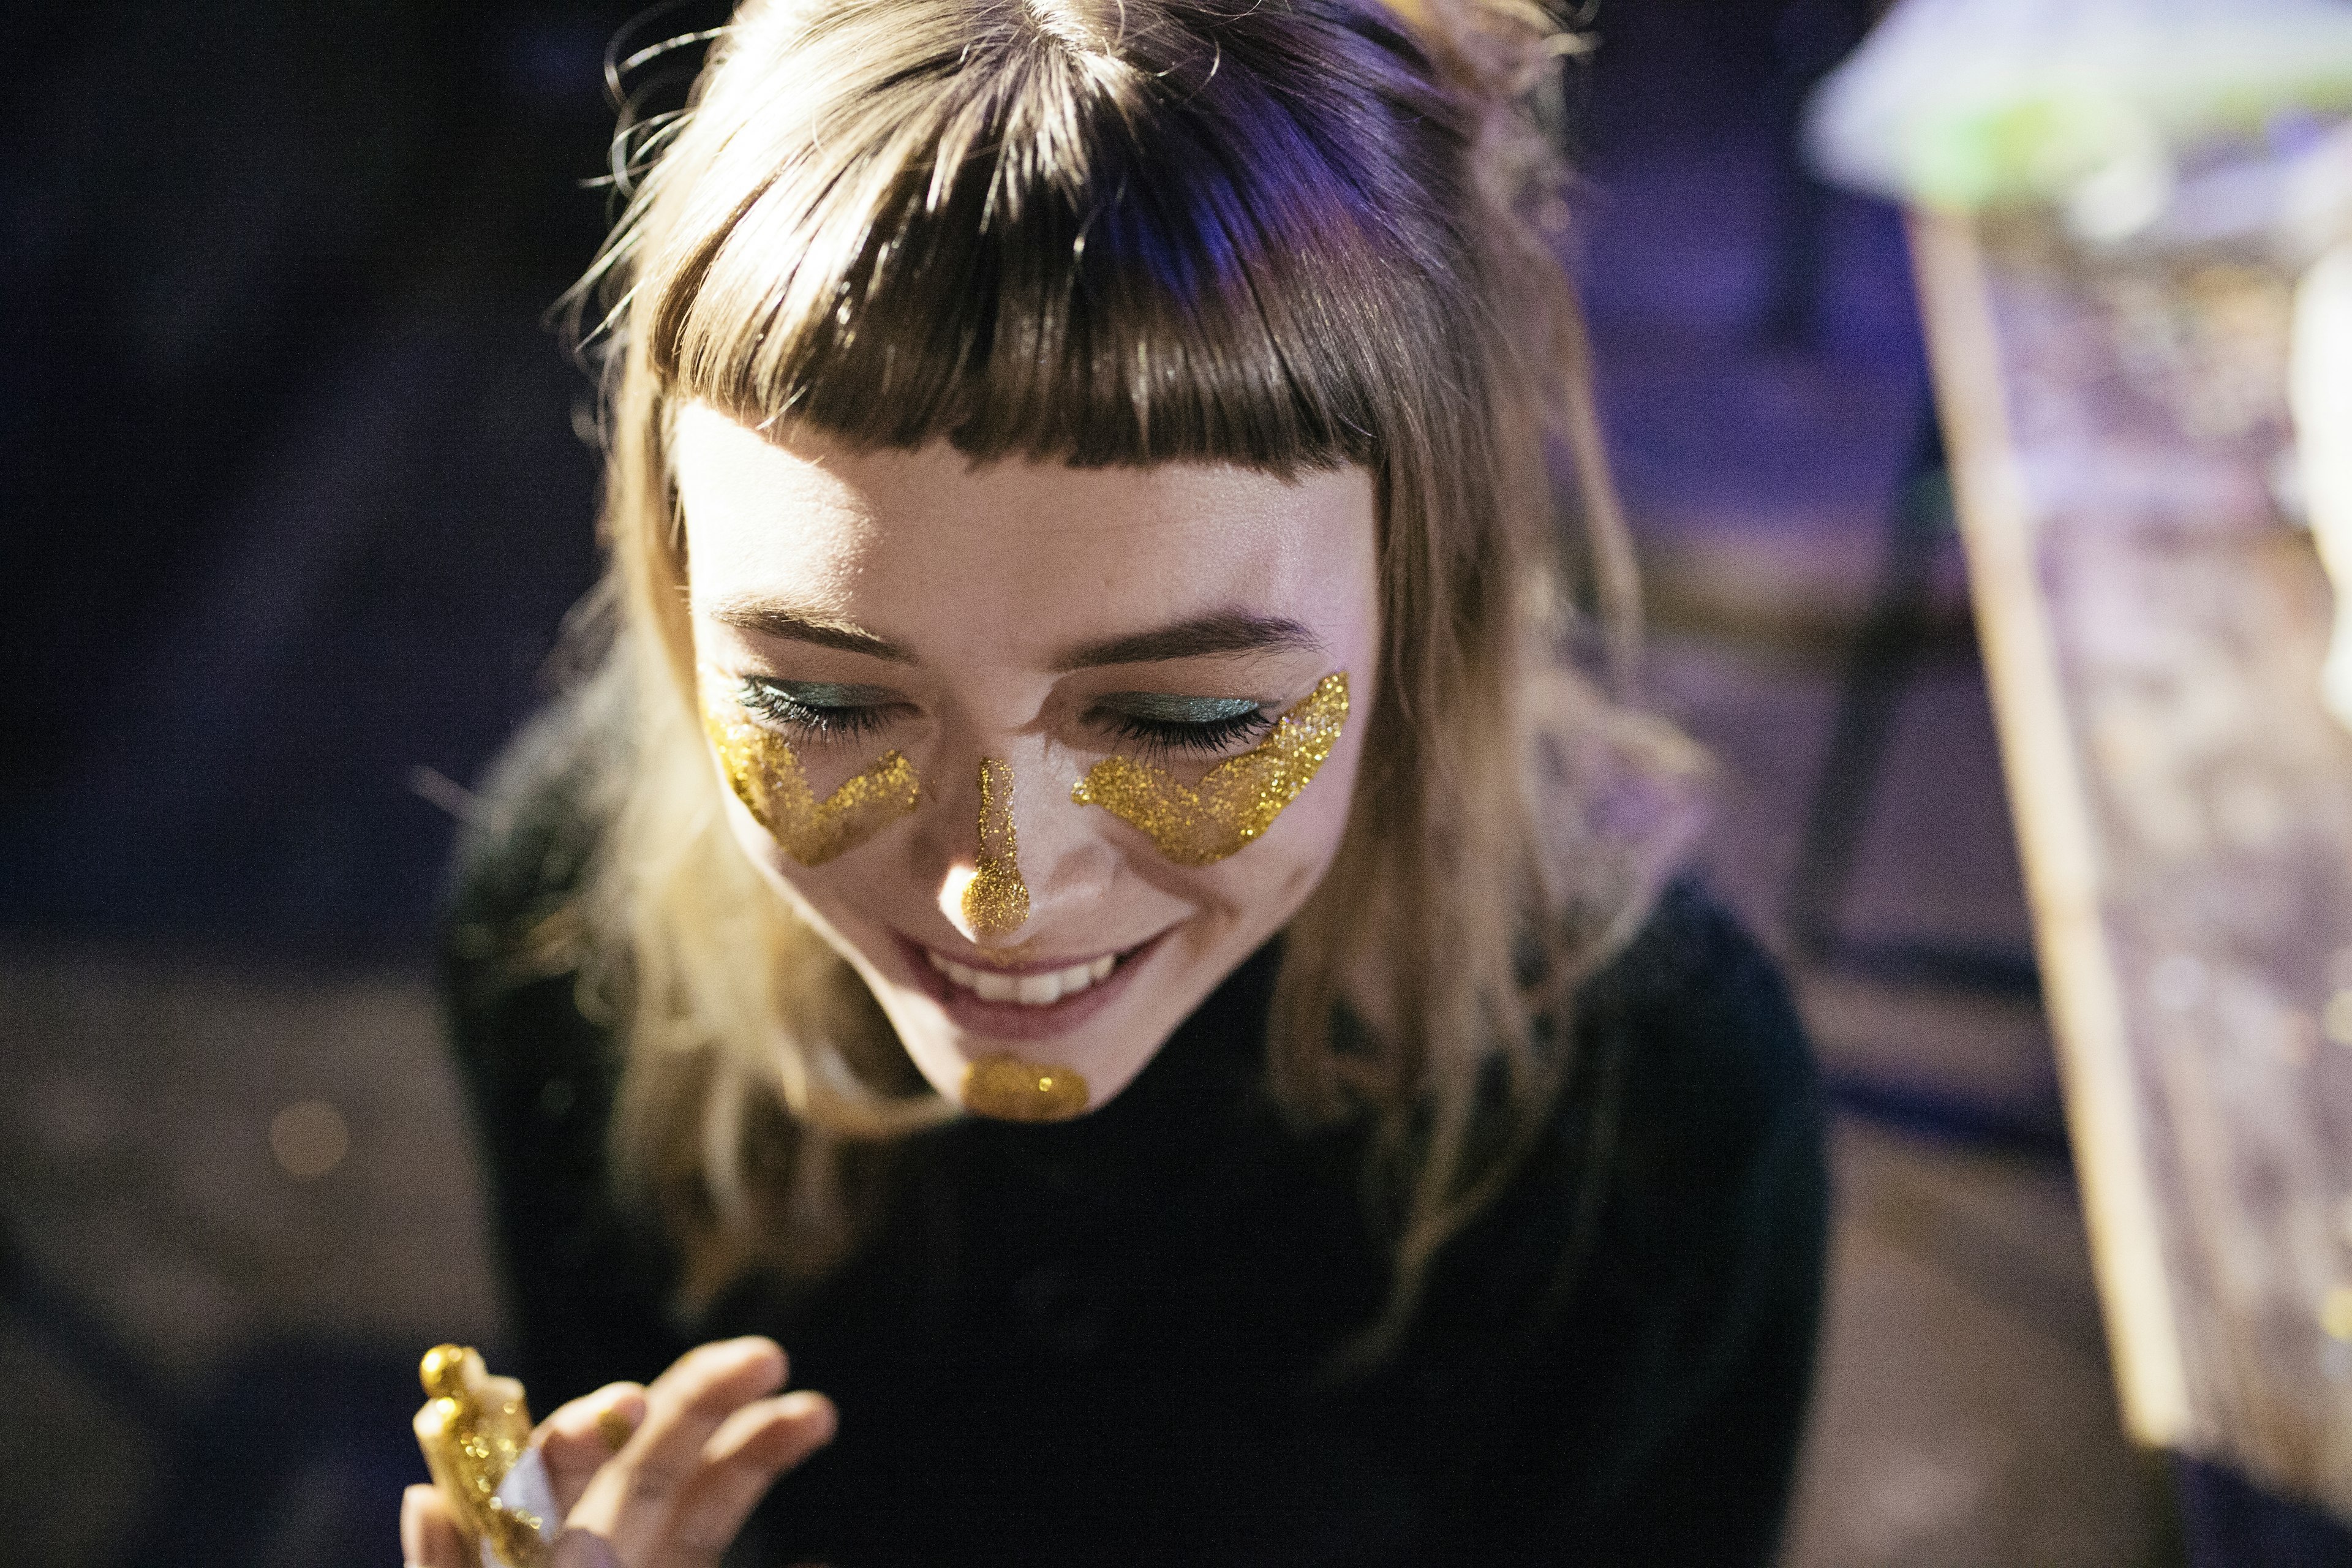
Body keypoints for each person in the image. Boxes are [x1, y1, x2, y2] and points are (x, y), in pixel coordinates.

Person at [401, 0, 1828, 1562]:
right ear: (672, 593)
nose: (995, 891)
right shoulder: (567, 933)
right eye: (820, 698)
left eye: (1184, 719)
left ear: (1431, 602)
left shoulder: (1654, 1122)